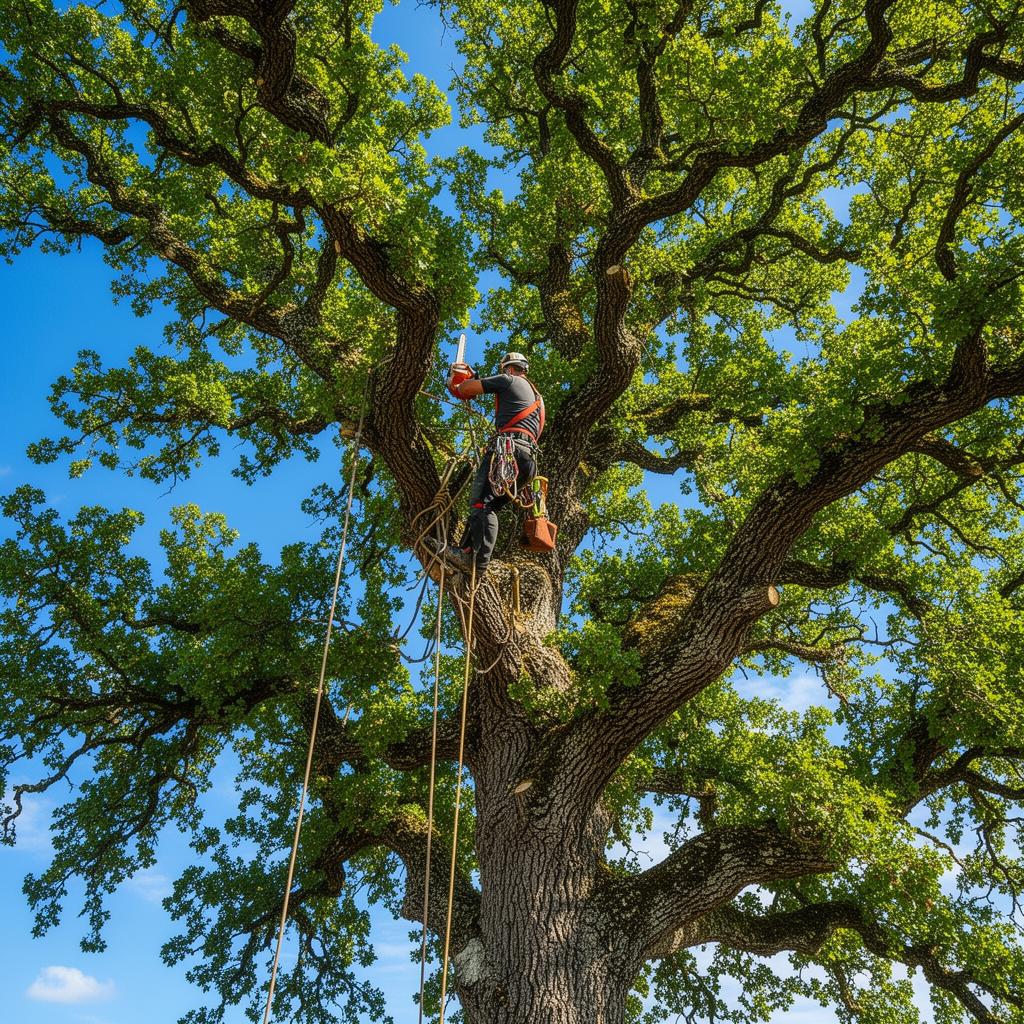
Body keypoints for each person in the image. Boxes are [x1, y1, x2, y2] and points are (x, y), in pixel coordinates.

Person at [438, 351, 545, 573]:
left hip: (509, 450)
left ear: (509, 368)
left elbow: (466, 389)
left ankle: (479, 563)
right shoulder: (538, 398)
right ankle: (467, 551)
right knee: (488, 506)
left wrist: (460, 381)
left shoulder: (508, 380)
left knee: (480, 503)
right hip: (528, 460)